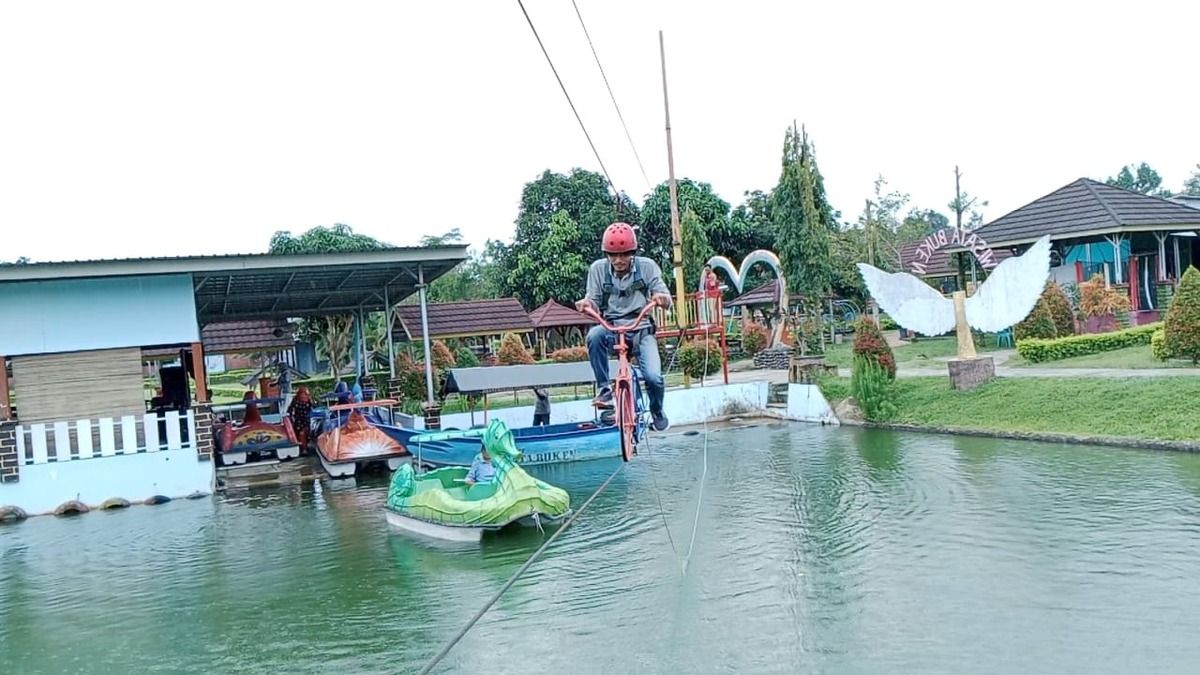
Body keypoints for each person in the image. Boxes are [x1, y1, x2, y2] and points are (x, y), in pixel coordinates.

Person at [575, 222, 673, 432]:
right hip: (611, 328)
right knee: (594, 336)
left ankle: (656, 409)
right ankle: (605, 390)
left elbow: (664, 296)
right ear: (606, 254)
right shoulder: (597, 270)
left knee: (654, 378)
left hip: (641, 329)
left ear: (632, 253)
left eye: (624, 255)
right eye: (613, 255)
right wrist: (586, 305)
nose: (618, 260)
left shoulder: (647, 267)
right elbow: (592, 299)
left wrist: (661, 298)